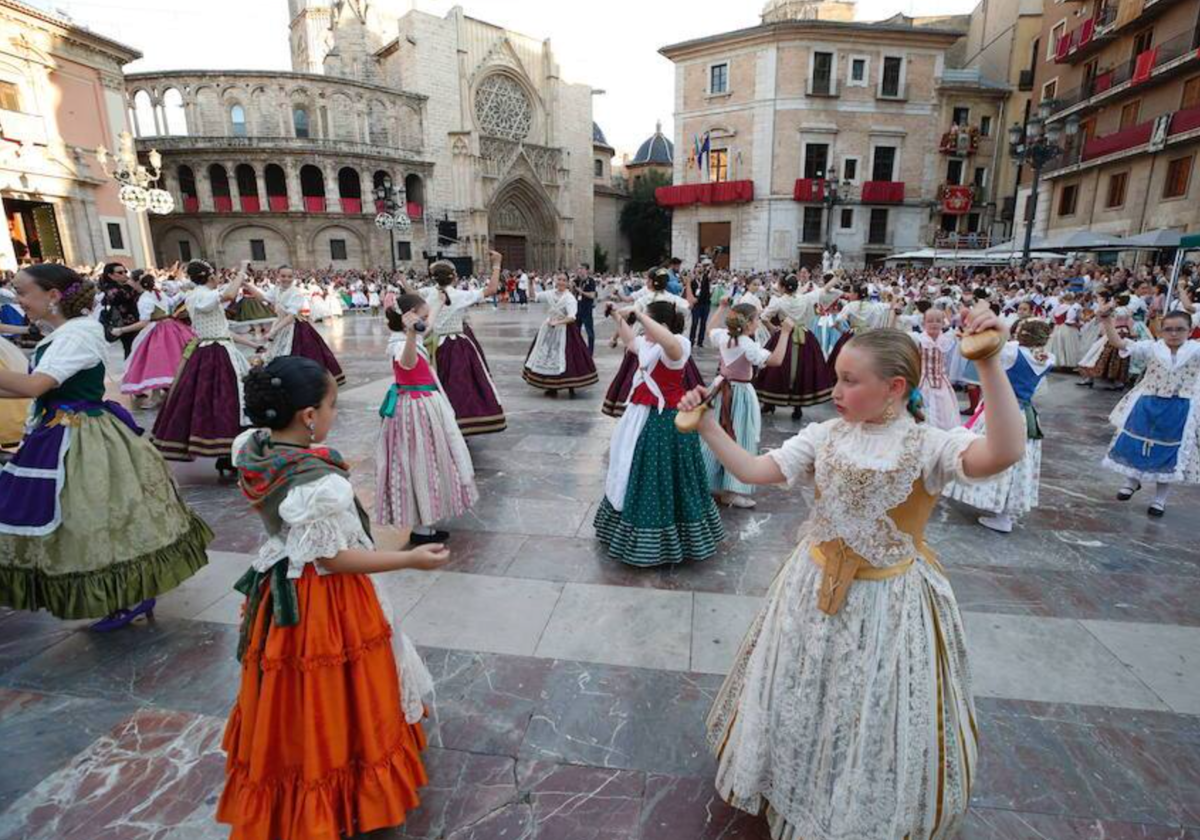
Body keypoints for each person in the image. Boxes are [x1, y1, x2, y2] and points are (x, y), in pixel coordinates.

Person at [684, 317, 1026, 840]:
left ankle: (850, 800)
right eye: (838, 378)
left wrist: (986, 362)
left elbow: (1002, 453)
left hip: (888, 599)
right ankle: (798, 778)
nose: (836, 390)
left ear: (894, 388)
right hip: (810, 586)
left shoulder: (929, 445)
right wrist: (707, 426)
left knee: (871, 704)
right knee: (806, 688)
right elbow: (754, 471)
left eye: (849, 380)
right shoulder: (824, 436)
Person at [218, 356, 446, 840]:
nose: (333, 414)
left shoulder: (255, 448)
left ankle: (294, 767)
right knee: (333, 690)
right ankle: (336, 788)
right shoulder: (317, 484)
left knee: (290, 693)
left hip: (278, 584)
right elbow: (333, 559)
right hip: (323, 603)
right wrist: (410, 559)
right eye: (331, 405)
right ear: (307, 416)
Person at [0, 264, 212, 627]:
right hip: (62, 430)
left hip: (83, 436)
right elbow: (34, 386)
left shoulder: (78, 334)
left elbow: (36, 386)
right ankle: (121, 594)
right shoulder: (66, 332)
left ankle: (128, 594)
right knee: (85, 517)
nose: (19, 301)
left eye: (23, 292)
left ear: (52, 296)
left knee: (96, 517)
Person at [595, 301, 725, 566]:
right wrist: (617, 317)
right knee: (636, 468)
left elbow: (672, 346)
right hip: (641, 416)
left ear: (661, 325)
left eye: (647, 324)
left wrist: (640, 314)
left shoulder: (677, 346)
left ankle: (665, 538)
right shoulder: (649, 345)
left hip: (665, 421)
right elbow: (631, 342)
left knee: (661, 473)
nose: (642, 330)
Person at [377, 294, 479, 545]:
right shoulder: (401, 343)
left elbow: (429, 325)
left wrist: (436, 303)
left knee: (428, 459)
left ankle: (425, 523)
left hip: (424, 403)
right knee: (421, 460)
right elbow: (407, 364)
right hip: (416, 408)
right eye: (420, 317)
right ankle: (422, 526)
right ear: (409, 316)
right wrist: (413, 333)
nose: (424, 323)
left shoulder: (407, 335)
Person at [944, 318, 1056, 533]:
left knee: (986, 451)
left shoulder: (1011, 353)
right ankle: (1005, 514)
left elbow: (988, 349)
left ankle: (981, 495)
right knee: (1018, 463)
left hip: (1000, 411)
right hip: (1024, 414)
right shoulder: (1048, 358)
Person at [151, 260, 258, 475]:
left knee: (214, 401)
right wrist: (242, 271)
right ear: (210, 276)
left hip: (213, 348)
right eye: (216, 274)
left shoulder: (197, 294)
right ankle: (228, 452)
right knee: (227, 400)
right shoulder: (200, 295)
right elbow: (228, 296)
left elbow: (223, 328)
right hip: (215, 352)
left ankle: (228, 454)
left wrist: (255, 345)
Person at [1097, 301, 1200, 517]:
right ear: (1161, 330)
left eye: (1180, 329)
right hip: (1147, 402)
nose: (1173, 334)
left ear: (1189, 331)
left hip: (1179, 407)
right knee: (1136, 440)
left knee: (1169, 452)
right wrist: (1107, 321)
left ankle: (1159, 499)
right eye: (1168, 329)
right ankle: (1132, 480)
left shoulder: (1196, 350)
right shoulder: (1152, 347)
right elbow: (1118, 342)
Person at [701, 300, 792, 509]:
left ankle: (706, 482)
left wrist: (721, 308)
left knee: (716, 436)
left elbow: (709, 330)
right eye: (757, 319)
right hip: (738, 394)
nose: (759, 322)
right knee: (741, 437)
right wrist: (785, 333)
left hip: (719, 389)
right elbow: (776, 360)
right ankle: (733, 491)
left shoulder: (725, 336)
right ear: (749, 324)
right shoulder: (746, 343)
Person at [421, 253, 505, 436]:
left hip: (433, 346)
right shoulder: (456, 295)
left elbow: (414, 296)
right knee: (461, 384)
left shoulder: (429, 294)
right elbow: (491, 289)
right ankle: (460, 423)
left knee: (438, 382)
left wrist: (404, 280)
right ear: (453, 276)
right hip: (455, 344)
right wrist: (497, 264)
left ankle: (438, 423)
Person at [601, 268, 702, 418]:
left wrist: (619, 332)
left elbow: (631, 318)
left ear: (650, 281)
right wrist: (616, 315)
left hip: (665, 353)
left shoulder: (644, 301)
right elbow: (690, 304)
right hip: (653, 343)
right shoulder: (674, 300)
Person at [754, 273, 842, 420]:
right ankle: (797, 407)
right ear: (796, 287)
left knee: (776, 368)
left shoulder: (778, 301)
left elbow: (764, 317)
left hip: (784, 336)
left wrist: (772, 328)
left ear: (782, 287)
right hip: (804, 337)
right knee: (802, 369)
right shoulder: (806, 298)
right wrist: (837, 276)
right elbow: (825, 289)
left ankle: (770, 403)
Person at [115, 272, 196, 407]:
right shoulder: (157, 293)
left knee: (156, 362)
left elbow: (144, 322)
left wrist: (121, 330)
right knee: (173, 359)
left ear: (136, 283)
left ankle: (156, 397)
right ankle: (171, 392)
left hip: (157, 330)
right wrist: (181, 293)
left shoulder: (145, 299)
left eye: (131, 281)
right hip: (171, 327)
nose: (129, 283)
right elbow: (172, 302)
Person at [264, 266, 346, 386]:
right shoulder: (277, 290)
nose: (286, 279)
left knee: (304, 353)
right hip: (282, 325)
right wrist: (245, 284)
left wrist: (273, 332)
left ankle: (307, 383)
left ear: (293, 277)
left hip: (296, 327)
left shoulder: (295, 292)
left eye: (289, 276)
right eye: (283, 276)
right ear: (278, 276)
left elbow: (291, 316)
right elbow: (264, 297)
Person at [522, 272, 599, 395]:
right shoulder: (550, 294)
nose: (561, 282)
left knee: (568, 356)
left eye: (564, 280)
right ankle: (551, 386)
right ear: (555, 281)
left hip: (566, 330)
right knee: (548, 355)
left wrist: (558, 322)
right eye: (559, 280)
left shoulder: (569, 298)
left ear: (567, 282)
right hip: (549, 329)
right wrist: (530, 282)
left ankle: (570, 385)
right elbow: (533, 297)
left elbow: (572, 317)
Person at [911, 307, 961, 431]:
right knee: (923, 407)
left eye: (938, 321)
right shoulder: (919, 339)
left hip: (941, 381)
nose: (934, 324)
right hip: (922, 381)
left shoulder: (946, 339)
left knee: (944, 410)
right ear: (923, 323)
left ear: (943, 323)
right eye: (930, 321)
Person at [98, 262, 141, 358]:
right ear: (110, 275)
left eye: (125, 271)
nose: (124, 274)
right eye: (120, 272)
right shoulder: (111, 290)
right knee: (131, 351)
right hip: (124, 324)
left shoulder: (126, 286)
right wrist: (133, 285)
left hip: (136, 321)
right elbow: (123, 296)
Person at [688, 262, 714, 348]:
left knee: (703, 323)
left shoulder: (705, 277)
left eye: (701, 267)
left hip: (705, 303)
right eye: (698, 267)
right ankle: (691, 340)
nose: (699, 268)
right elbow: (689, 291)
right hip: (696, 304)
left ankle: (700, 342)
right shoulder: (692, 279)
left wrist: (712, 267)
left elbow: (711, 276)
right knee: (694, 322)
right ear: (695, 268)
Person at [576, 268, 597, 353]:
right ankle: (578, 350)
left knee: (589, 332)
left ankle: (590, 351)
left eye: (582, 269)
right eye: (579, 269)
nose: (580, 271)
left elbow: (592, 295)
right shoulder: (577, 280)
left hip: (587, 309)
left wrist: (582, 292)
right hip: (577, 309)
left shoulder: (591, 281)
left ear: (586, 270)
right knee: (576, 332)